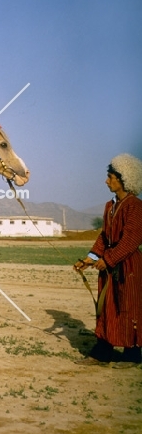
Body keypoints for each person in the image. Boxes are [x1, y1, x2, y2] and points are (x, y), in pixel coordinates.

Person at [74, 153, 142, 368]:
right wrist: (88, 259)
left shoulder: (135, 206)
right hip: (110, 265)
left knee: (128, 307)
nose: (106, 181)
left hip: (129, 267)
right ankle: (103, 351)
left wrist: (109, 259)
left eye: (110, 177)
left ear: (123, 179)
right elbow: (104, 237)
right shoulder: (109, 206)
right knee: (107, 308)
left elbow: (131, 239)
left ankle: (133, 354)